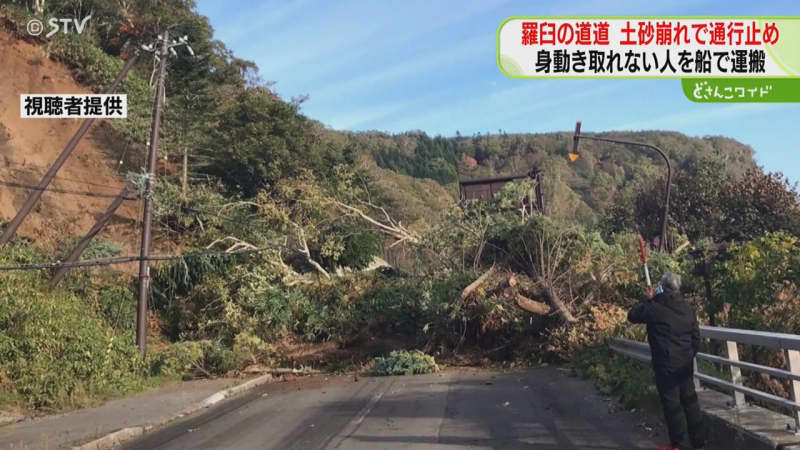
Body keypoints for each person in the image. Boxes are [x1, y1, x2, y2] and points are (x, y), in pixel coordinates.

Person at [628, 272, 706, 450]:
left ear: (662, 287)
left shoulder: (655, 308)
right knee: (690, 402)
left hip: (665, 364)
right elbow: (696, 338)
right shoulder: (688, 309)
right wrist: (689, 355)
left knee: (672, 405)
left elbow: (632, 315)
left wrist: (649, 299)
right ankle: (699, 443)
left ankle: (678, 444)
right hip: (685, 364)